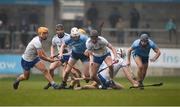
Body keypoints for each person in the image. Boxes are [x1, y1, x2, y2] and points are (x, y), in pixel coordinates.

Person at [74, 48, 139, 90]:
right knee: (121, 88)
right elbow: (127, 75)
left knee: (96, 86)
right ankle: (84, 87)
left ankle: (84, 87)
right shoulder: (121, 60)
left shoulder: (108, 55)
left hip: (98, 75)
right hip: (106, 79)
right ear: (122, 55)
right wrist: (134, 83)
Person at [43, 24, 81, 89]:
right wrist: (52, 54)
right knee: (51, 68)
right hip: (61, 57)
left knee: (73, 72)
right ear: (56, 31)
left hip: (70, 56)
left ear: (63, 30)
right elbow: (52, 46)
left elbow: (74, 45)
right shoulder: (54, 38)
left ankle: (78, 84)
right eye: (58, 30)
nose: (60, 31)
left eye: (61, 30)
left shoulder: (69, 37)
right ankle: (51, 82)